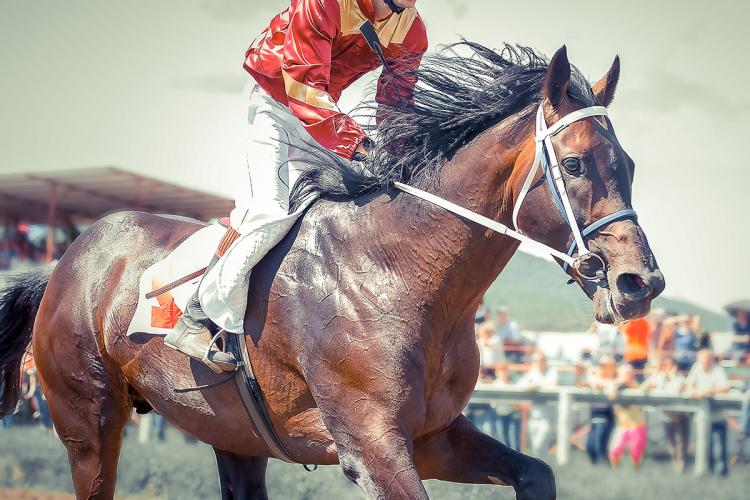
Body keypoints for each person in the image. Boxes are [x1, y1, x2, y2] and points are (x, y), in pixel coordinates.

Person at [165, 0, 428, 372]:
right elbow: (302, 85)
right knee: (268, 210)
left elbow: (395, 101)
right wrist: (361, 145)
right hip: (274, 103)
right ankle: (194, 319)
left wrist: (402, 154)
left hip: (320, 116)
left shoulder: (412, 31)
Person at [685, 348, 731, 476]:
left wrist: (709, 391)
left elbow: (726, 387)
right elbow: (689, 384)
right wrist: (693, 390)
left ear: (711, 360)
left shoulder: (718, 370)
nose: (703, 364)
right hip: (703, 415)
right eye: (701, 361)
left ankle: (721, 474)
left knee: (719, 448)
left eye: (706, 361)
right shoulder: (697, 367)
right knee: (704, 446)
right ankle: (709, 473)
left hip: (717, 416)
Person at [642, 356, 688, 472]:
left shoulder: (680, 378)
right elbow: (643, 388)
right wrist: (655, 376)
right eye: (664, 365)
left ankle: (681, 466)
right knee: (671, 442)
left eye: (669, 365)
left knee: (681, 442)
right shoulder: (659, 378)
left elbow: (676, 392)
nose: (666, 368)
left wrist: (672, 376)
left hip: (680, 415)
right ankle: (675, 462)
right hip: (666, 416)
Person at [517, 351, 559, 456]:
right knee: (536, 447)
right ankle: (541, 469)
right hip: (533, 415)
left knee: (540, 445)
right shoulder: (533, 372)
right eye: (536, 360)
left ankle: (542, 469)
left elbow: (552, 384)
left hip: (547, 416)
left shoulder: (552, 371)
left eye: (541, 360)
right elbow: (520, 385)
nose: (538, 362)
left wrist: (535, 386)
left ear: (545, 361)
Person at [609, 365, 647, 468]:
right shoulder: (616, 385)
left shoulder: (635, 385)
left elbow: (639, 390)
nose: (628, 376)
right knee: (615, 450)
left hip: (636, 424)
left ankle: (636, 471)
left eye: (630, 373)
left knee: (636, 452)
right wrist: (618, 384)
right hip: (622, 424)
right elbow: (611, 393)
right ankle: (614, 472)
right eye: (626, 373)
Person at [586, 356, 618, 465]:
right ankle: (595, 470)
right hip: (594, 415)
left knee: (599, 448)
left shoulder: (612, 380)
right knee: (590, 447)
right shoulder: (595, 377)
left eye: (605, 366)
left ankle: (607, 469)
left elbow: (612, 394)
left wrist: (604, 384)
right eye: (601, 365)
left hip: (606, 416)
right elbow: (591, 381)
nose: (602, 368)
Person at [492, 361, 521, 451]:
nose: (503, 373)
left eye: (505, 370)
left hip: (512, 415)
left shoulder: (513, 384)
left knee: (514, 443)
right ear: (497, 372)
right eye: (501, 371)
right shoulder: (494, 384)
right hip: (499, 415)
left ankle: (517, 463)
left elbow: (518, 401)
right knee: (503, 443)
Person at [620, 317, 650, 382]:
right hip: (635, 353)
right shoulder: (642, 322)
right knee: (633, 374)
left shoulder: (642, 322)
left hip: (638, 353)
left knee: (638, 374)